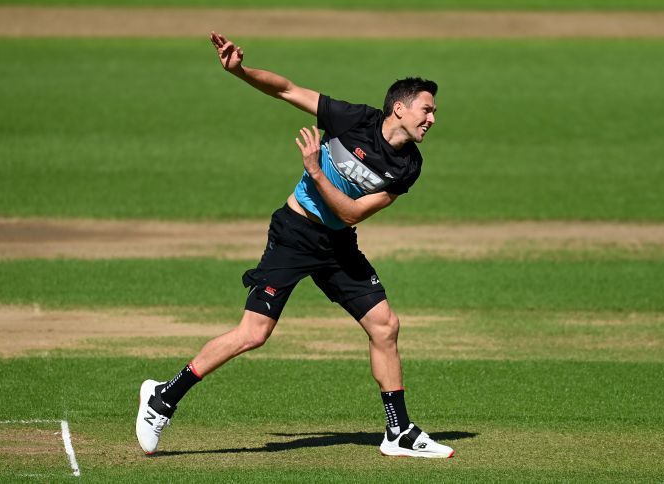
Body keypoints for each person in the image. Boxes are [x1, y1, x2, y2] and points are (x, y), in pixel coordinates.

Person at [135, 32, 453, 459]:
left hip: (338, 242)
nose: (432, 118)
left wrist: (315, 171)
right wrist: (240, 71)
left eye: (434, 112)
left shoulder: (408, 165)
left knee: (385, 327)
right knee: (254, 333)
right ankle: (162, 398)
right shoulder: (352, 119)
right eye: (426, 109)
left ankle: (397, 431)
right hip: (294, 234)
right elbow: (286, 89)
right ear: (400, 107)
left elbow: (352, 214)